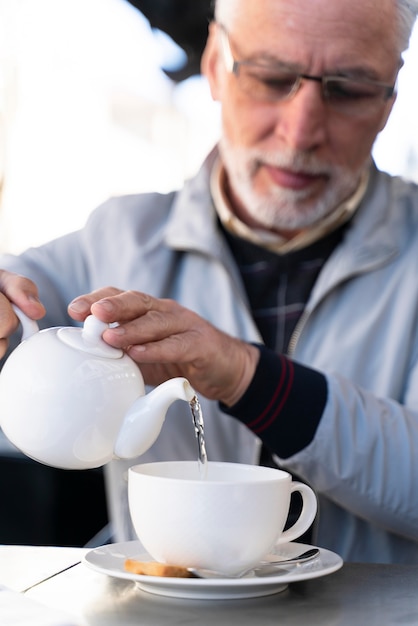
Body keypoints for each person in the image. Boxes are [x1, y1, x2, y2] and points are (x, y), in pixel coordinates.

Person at [1, 0, 418, 563]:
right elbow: (19, 312)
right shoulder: (117, 239)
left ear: (391, 99)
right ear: (216, 65)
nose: (300, 132)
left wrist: (249, 376)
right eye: (273, 78)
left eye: (348, 89)